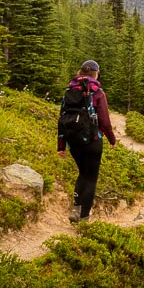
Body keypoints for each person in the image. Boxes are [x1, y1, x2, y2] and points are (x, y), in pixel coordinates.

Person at [57, 60, 117, 222]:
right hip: (92, 140)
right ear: (95, 73)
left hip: (73, 140)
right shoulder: (98, 92)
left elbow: (62, 118)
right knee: (91, 177)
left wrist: (61, 145)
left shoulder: (70, 90)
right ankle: (84, 217)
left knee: (82, 174)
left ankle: (76, 209)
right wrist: (112, 139)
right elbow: (104, 121)